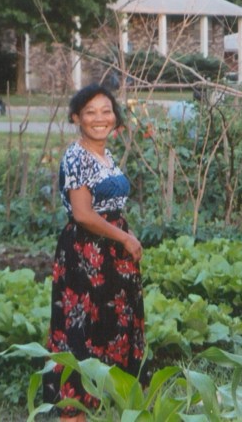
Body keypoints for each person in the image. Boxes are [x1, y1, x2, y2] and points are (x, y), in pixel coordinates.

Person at [43, 84, 146, 421]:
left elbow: (111, 206)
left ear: (114, 117)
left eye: (106, 110)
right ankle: (75, 412)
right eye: (90, 112)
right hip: (85, 255)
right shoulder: (76, 156)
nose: (100, 118)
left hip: (112, 256)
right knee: (82, 332)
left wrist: (125, 237)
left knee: (112, 326)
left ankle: (108, 403)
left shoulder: (105, 155)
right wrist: (126, 239)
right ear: (76, 118)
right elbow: (83, 214)